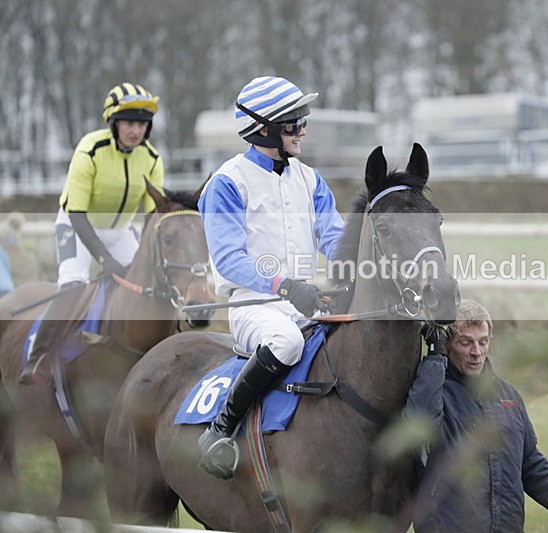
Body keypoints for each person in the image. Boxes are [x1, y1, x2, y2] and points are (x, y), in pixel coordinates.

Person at [196, 75, 345, 480]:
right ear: (263, 128)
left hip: (307, 299)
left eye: (303, 120)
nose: (303, 130)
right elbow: (228, 259)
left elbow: (335, 237)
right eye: (293, 123)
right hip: (252, 305)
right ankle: (219, 431)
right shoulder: (227, 182)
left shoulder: (310, 179)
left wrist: (355, 269)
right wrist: (285, 285)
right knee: (286, 341)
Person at [404, 300, 548, 532]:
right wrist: (435, 357)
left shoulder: (508, 396)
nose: (476, 352)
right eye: (466, 343)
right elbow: (416, 428)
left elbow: (529, 461)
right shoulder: (434, 391)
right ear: (448, 344)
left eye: (482, 342)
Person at [19, 82, 164, 384]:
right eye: (128, 123)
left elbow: (152, 214)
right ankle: (37, 359)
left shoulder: (151, 158)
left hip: (121, 230)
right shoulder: (90, 149)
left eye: (141, 123)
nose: (135, 130)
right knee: (73, 285)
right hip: (77, 225)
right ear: (113, 123)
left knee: (147, 285)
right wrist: (103, 258)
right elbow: (77, 213)